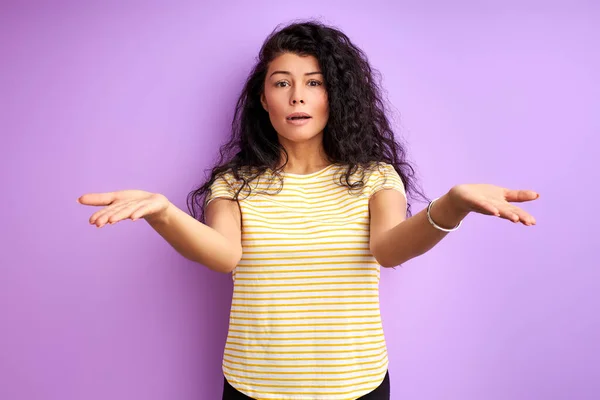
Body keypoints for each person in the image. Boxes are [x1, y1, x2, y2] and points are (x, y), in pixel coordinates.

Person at [77, 20, 539, 400]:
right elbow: (223, 255)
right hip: (252, 386)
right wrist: (162, 213)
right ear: (264, 99)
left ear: (334, 97)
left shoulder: (375, 176)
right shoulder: (235, 183)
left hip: (356, 386)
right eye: (282, 83)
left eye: (314, 83)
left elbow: (390, 248)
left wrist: (451, 206)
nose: (297, 96)